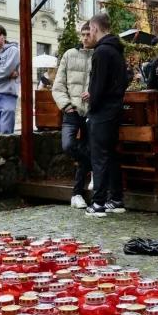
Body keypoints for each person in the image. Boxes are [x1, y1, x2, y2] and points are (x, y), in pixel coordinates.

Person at [85, 13, 128, 217]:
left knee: (99, 156)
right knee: (111, 155)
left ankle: (99, 202)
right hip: (115, 107)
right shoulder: (117, 50)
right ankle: (116, 198)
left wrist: (92, 105)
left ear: (94, 27)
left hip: (102, 110)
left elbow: (98, 84)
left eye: (90, 30)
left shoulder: (101, 51)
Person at [53, 21, 94, 209]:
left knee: (85, 146)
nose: (85, 38)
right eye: (83, 34)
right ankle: (96, 167)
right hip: (71, 110)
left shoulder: (99, 55)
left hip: (92, 111)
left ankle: (76, 194)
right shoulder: (69, 55)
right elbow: (58, 85)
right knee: (69, 145)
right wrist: (66, 106)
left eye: (88, 34)